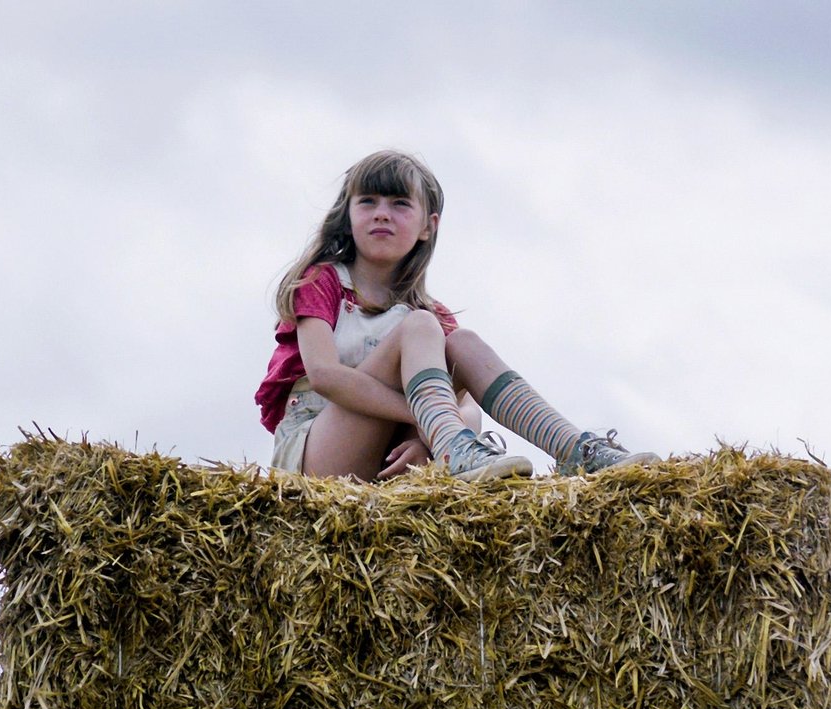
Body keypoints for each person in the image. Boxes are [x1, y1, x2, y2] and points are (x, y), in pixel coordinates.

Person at [256, 150, 660, 482]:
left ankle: (574, 448)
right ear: (347, 215)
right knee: (421, 329)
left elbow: (468, 408)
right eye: (368, 201)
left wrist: (428, 437)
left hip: (389, 457)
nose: (382, 213)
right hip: (320, 457)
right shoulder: (322, 281)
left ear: (428, 226)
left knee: (461, 341)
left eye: (400, 204)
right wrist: (429, 419)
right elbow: (325, 376)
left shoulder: (431, 316)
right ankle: (454, 447)